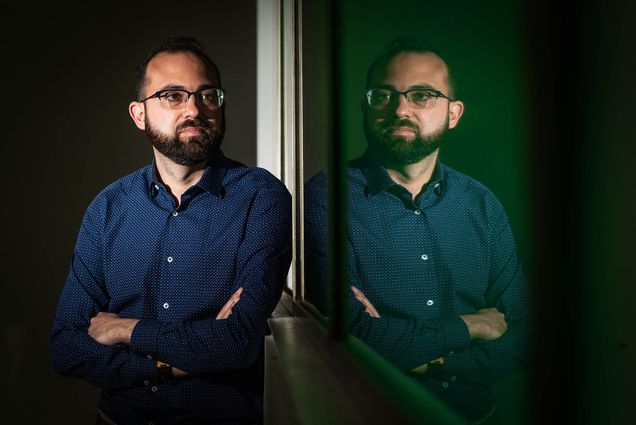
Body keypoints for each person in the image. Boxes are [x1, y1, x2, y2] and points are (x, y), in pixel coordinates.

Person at [48, 36, 292, 425]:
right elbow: (65, 346)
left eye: (207, 95)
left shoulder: (261, 198)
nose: (195, 109)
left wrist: (125, 329)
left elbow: (239, 343)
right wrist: (170, 365)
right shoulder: (108, 208)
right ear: (139, 115)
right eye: (173, 96)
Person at [304, 38, 533, 424]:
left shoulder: (481, 204)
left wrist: (429, 365)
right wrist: (472, 326)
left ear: (454, 113)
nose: (400, 109)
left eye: (422, 95)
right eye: (383, 95)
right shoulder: (326, 199)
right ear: (365, 105)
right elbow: (354, 337)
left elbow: (523, 332)